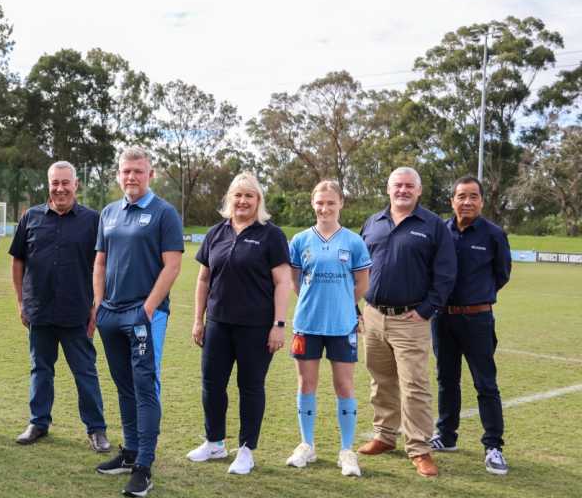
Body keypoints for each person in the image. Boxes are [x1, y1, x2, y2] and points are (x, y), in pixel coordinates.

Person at [93, 146, 183, 498]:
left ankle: (144, 465)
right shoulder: (109, 212)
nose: (131, 177)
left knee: (145, 386)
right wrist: (99, 304)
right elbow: (100, 262)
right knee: (124, 385)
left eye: (138, 171)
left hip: (144, 314)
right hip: (110, 314)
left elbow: (172, 266)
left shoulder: (164, 213)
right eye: (125, 171)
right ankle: (130, 452)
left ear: (150, 174)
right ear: (118, 174)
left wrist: (147, 308)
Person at [187, 172, 291, 475]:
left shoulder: (271, 235)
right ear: (229, 199)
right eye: (238, 195)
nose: (243, 201)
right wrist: (198, 320)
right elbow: (204, 278)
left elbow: (282, 281)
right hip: (217, 324)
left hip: (256, 328)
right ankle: (215, 442)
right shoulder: (215, 233)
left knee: (250, 387)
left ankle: (246, 450)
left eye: (249, 196)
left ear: (258, 201)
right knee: (212, 385)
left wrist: (279, 324)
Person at [359, 166, 456, 477]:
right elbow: (359, 269)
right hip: (373, 316)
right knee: (380, 379)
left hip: (411, 318)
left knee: (414, 385)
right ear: (388, 189)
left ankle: (419, 448)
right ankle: (385, 436)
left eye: (408, 186)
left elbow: (445, 272)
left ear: (419, 190)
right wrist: (356, 305)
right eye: (397, 185)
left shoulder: (432, 226)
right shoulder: (373, 223)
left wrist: (428, 308)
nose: (402, 190)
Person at [10, 161, 109, 452]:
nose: (60, 188)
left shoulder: (93, 220)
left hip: (77, 312)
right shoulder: (30, 217)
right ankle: (38, 422)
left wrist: (96, 305)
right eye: (55, 183)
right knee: (40, 370)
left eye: (66, 182)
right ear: (48, 184)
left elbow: (102, 265)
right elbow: (18, 260)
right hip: (39, 311)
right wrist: (20, 300)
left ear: (76, 184)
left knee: (85, 372)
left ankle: (97, 429)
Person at [284, 181, 371, 477]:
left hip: (342, 324)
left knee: (344, 386)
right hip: (307, 323)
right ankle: (306, 445)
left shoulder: (354, 242)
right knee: (306, 384)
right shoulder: (299, 241)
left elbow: (362, 283)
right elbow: (295, 281)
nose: (325, 208)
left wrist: (346, 305)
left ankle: (347, 451)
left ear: (340, 204)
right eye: (320, 202)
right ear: (313, 203)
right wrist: (314, 302)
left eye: (330, 203)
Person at [430, 176, 511, 475]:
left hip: (477, 319)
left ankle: (493, 446)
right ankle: (447, 436)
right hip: (443, 318)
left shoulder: (493, 234)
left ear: (481, 201)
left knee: (485, 384)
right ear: (452, 200)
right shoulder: (440, 231)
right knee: (446, 379)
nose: (467, 202)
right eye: (461, 196)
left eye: (473, 196)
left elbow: (501, 274)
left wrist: (476, 299)